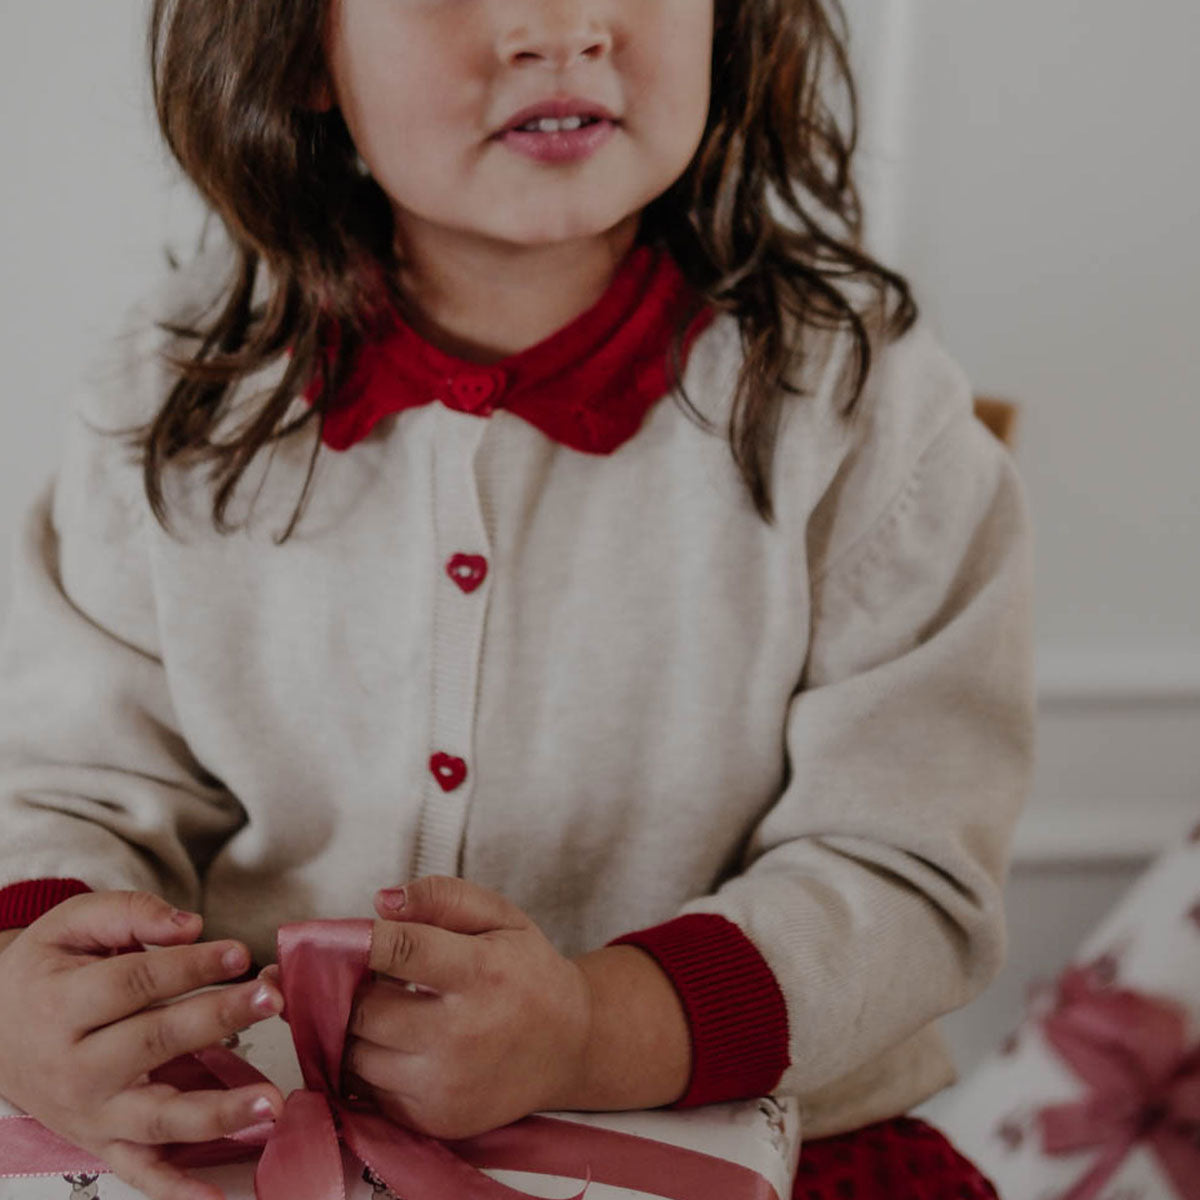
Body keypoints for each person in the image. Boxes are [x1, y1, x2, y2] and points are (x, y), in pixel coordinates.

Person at [0, 2, 1033, 1199]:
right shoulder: (167, 400)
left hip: (771, 1135)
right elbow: (69, 786)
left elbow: (902, 872)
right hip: (244, 1131)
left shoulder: (870, 417)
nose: (565, 27)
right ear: (301, 47)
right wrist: (42, 978)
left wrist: (596, 1028)